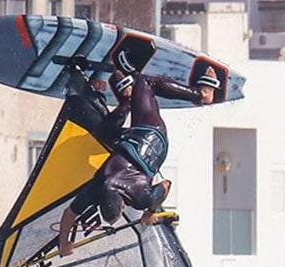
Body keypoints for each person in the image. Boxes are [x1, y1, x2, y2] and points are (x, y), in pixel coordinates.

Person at [56, 47, 219, 255]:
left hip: (153, 148)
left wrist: (149, 212)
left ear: (123, 205)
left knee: (103, 131)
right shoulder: (97, 188)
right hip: (148, 134)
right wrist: (63, 243)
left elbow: (166, 185)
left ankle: (125, 95)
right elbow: (69, 214)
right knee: (145, 82)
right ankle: (202, 94)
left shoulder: (141, 200)